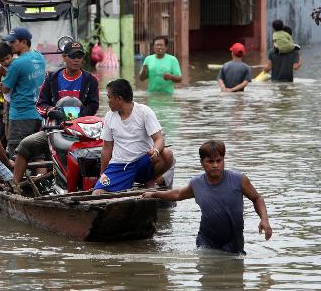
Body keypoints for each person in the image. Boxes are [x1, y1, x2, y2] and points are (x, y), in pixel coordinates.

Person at [143, 140, 272, 254]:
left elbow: (257, 198)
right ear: (202, 163)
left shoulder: (239, 180)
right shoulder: (197, 184)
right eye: (210, 161)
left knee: (234, 277)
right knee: (208, 274)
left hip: (234, 241)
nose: (215, 165)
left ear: (223, 160)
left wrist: (264, 219)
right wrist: (154, 193)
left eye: (219, 161)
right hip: (206, 241)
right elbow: (178, 194)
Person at [12, 41, 99, 183]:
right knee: (25, 145)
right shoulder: (52, 78)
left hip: (81, 131)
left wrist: (75, 117)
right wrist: (51, 111)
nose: (76, 59)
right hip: (54, 129)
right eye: (72, 56)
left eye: (80, 56)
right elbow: (40, 104)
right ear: (64, 57)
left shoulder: (90, 80)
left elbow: (93, 106)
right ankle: (15, 184)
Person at [93, 79, 174, 195]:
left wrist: (155, 150)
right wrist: (103, 175)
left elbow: (159, 139)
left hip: (143, 162)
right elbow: (106, 149)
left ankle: (150, 179)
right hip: (120, 165)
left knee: (167, 154)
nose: (108, 101)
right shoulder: (109, 116)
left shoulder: (144, 112)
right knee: (97, 193)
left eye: (109, 97)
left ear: (119, 99)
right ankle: (138, 182)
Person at [1, 27, 46, 157]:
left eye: (13, 42)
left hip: (21, 115)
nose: (10, 46)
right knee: (38, 155)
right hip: (39, 115)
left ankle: (17, 178)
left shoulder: (17, 64)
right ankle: (41, 177)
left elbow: (5, 88)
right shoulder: (39, 56)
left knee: (16, 154)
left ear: (24, 42)